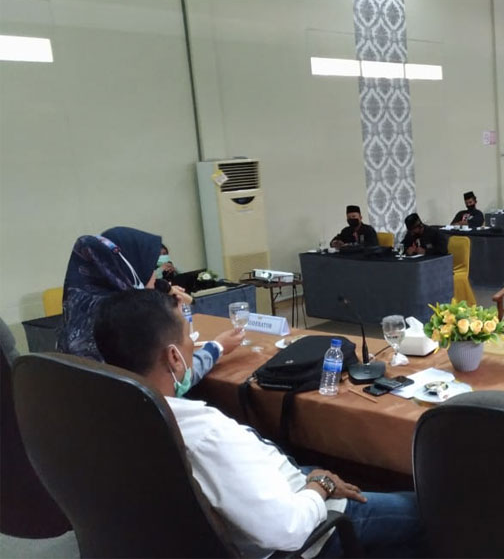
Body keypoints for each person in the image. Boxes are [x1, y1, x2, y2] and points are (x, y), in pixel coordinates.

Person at [93, 289, 426, 556]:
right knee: (427, 509)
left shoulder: (109, 415)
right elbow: (287, 530)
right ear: (173, 357)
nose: (193, 344)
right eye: (188, 339)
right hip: (307, 528)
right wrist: (320, 487)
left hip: (272, 491)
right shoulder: (206, 434)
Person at [57, 226, 242, 383]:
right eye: (151, 269)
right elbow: (171, 381)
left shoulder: (80, 308)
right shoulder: (122, 320)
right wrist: (217, 348)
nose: (155, 276)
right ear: (129, 268)